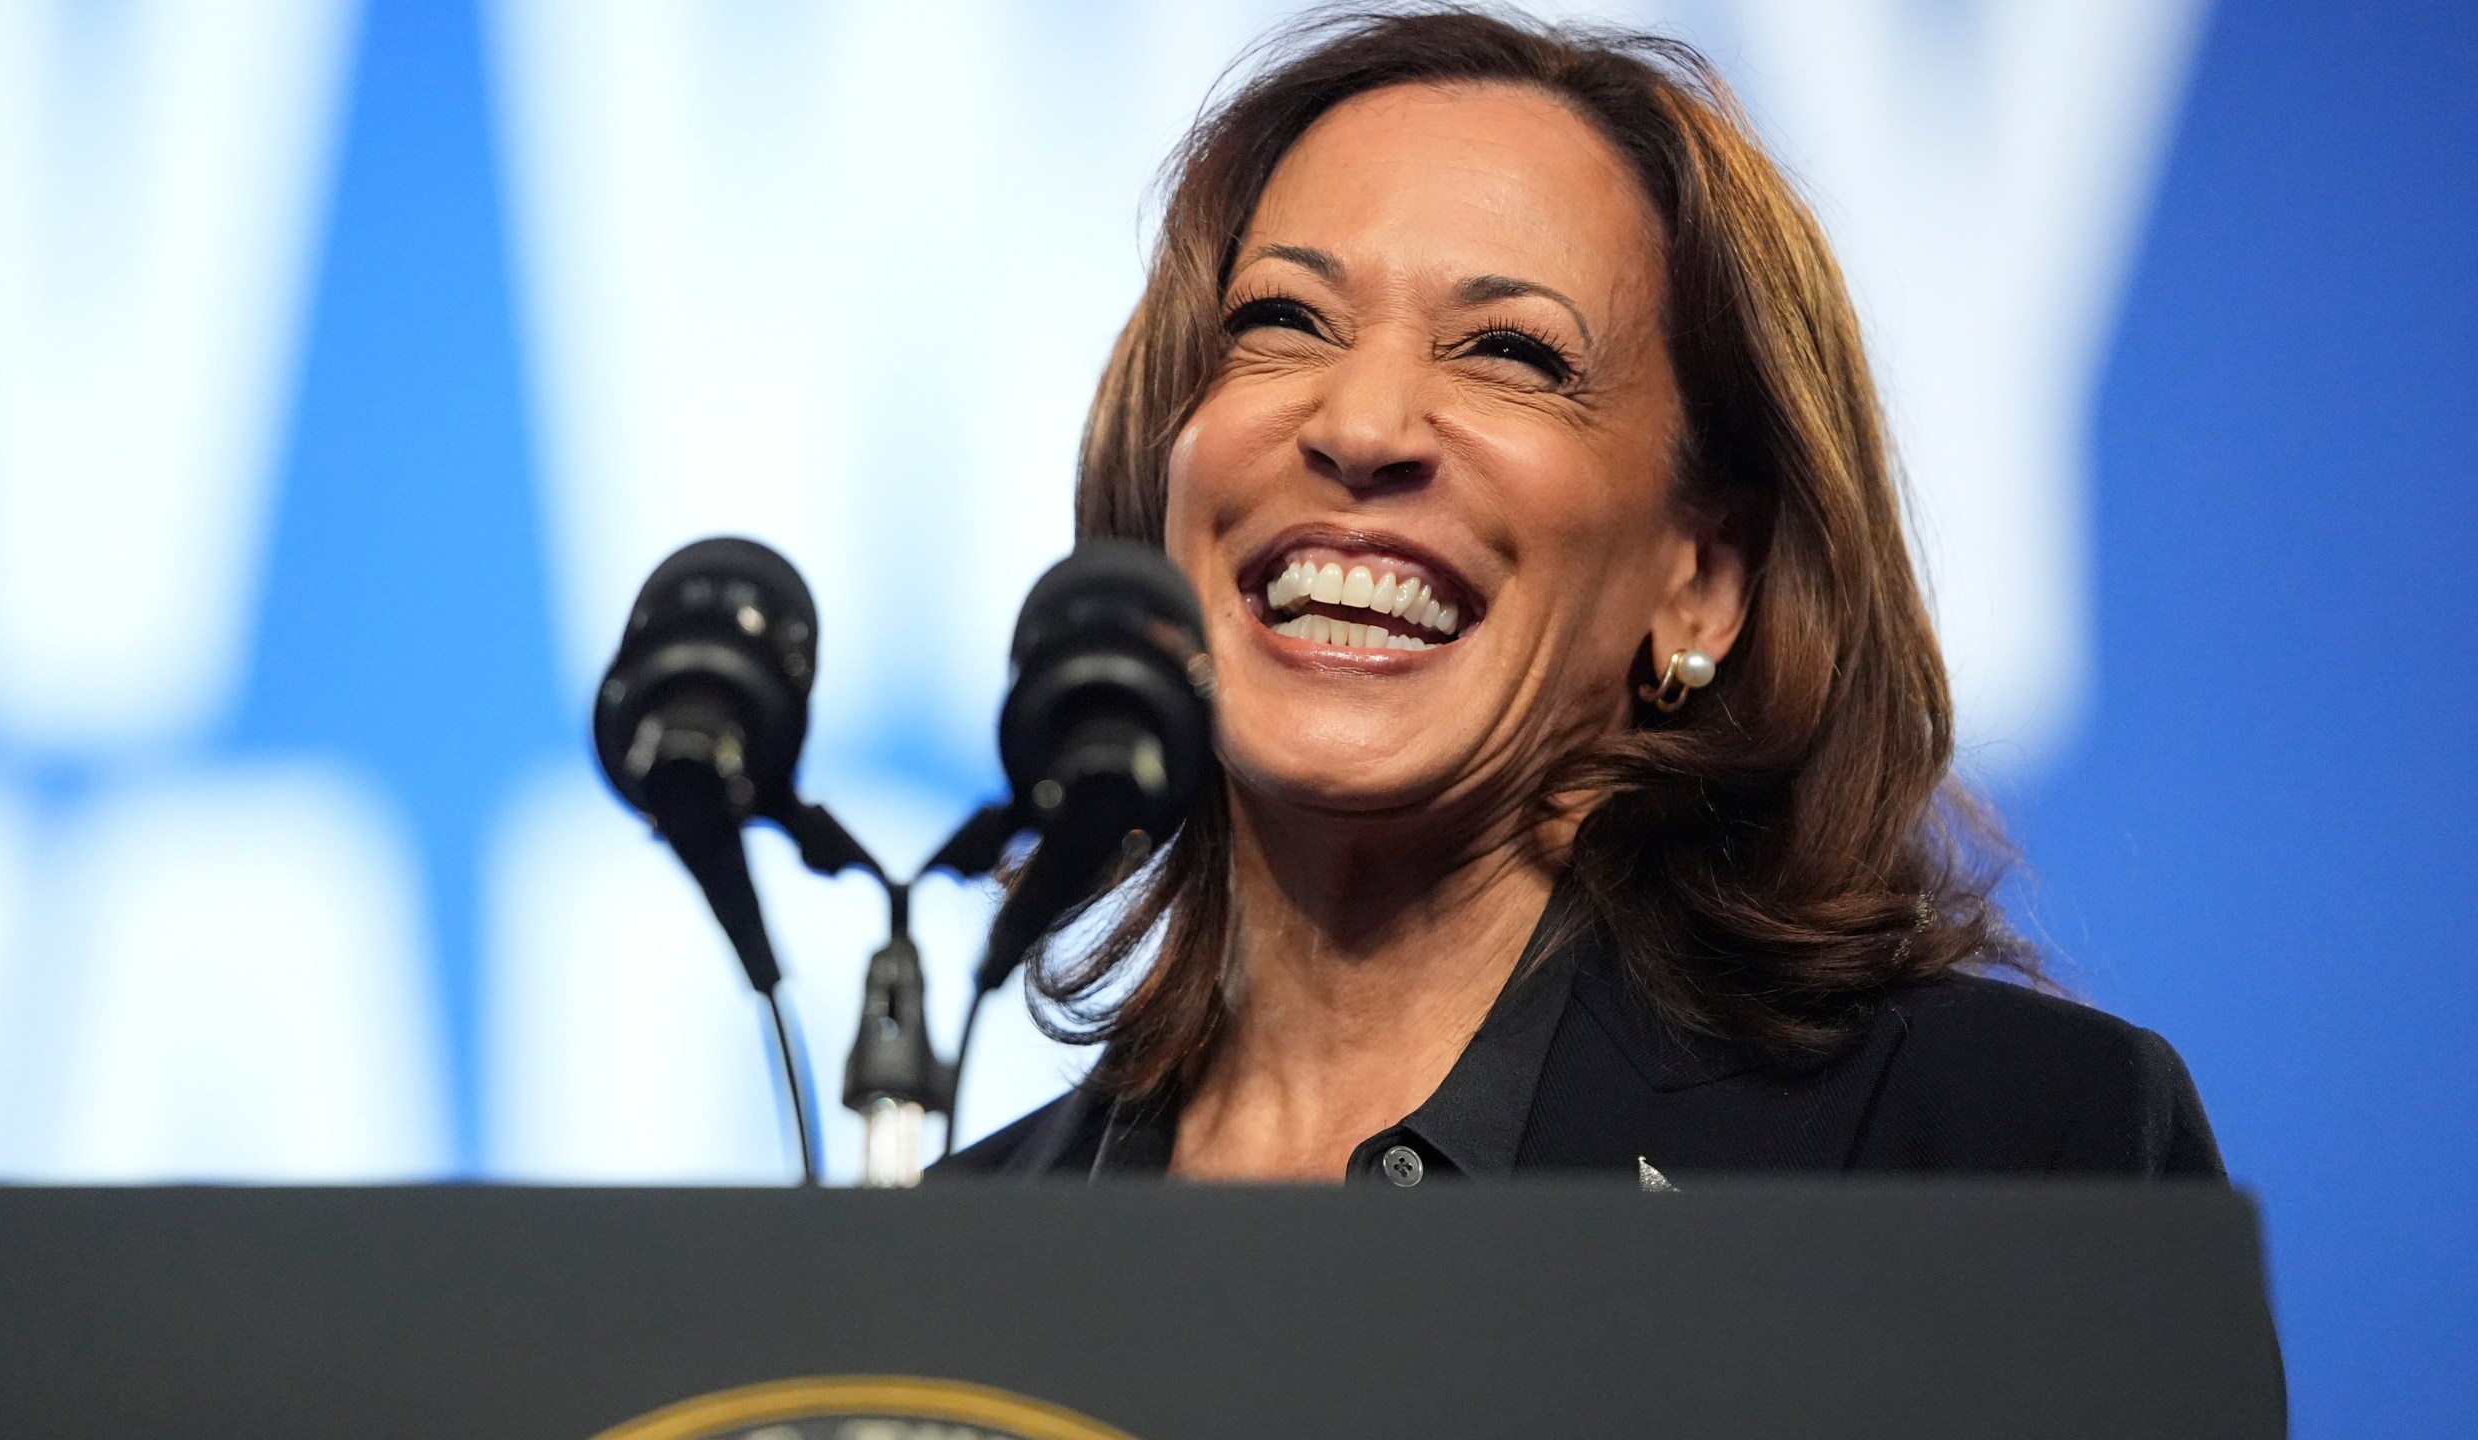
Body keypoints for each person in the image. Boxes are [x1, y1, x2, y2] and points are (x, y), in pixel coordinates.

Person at [941, 7, 2222, 1184]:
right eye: (1285, 319)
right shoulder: (961, 1257)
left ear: (1703, 586)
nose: (1365, 420)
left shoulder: (1994, 1150)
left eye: (1511, 353)